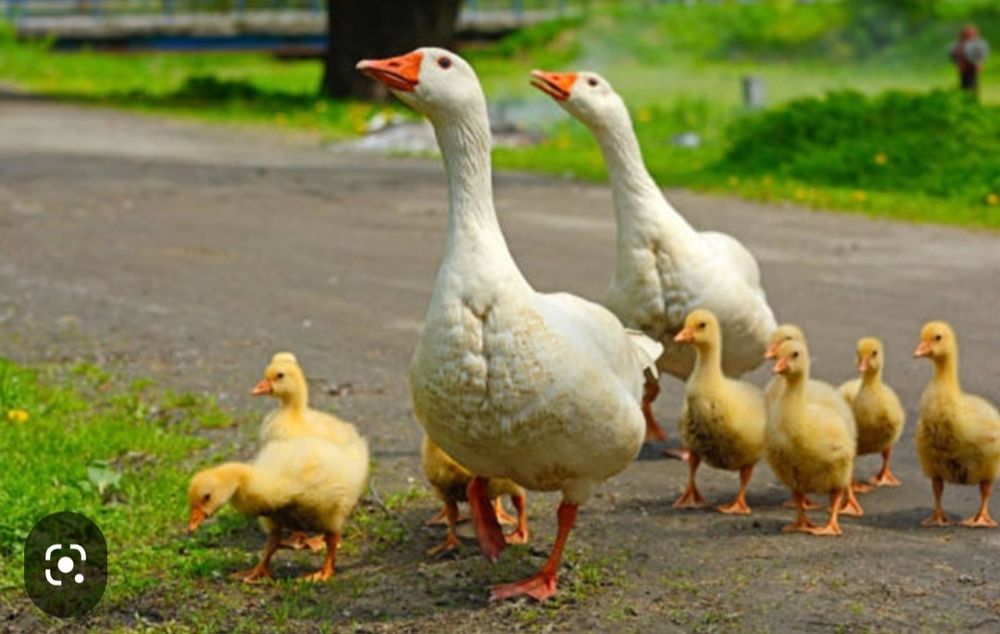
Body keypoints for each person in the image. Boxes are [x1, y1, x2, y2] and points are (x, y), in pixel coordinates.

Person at [950, 25, 989, 98]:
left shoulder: (977, 43)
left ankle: (973, 97)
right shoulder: (959, 44)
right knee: (964, 81)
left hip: (972, 65)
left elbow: (981, 54)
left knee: (973, 82)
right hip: (964, 66)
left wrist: (979, 63)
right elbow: (955, 54)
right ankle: (964, 96)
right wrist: (958, 62)